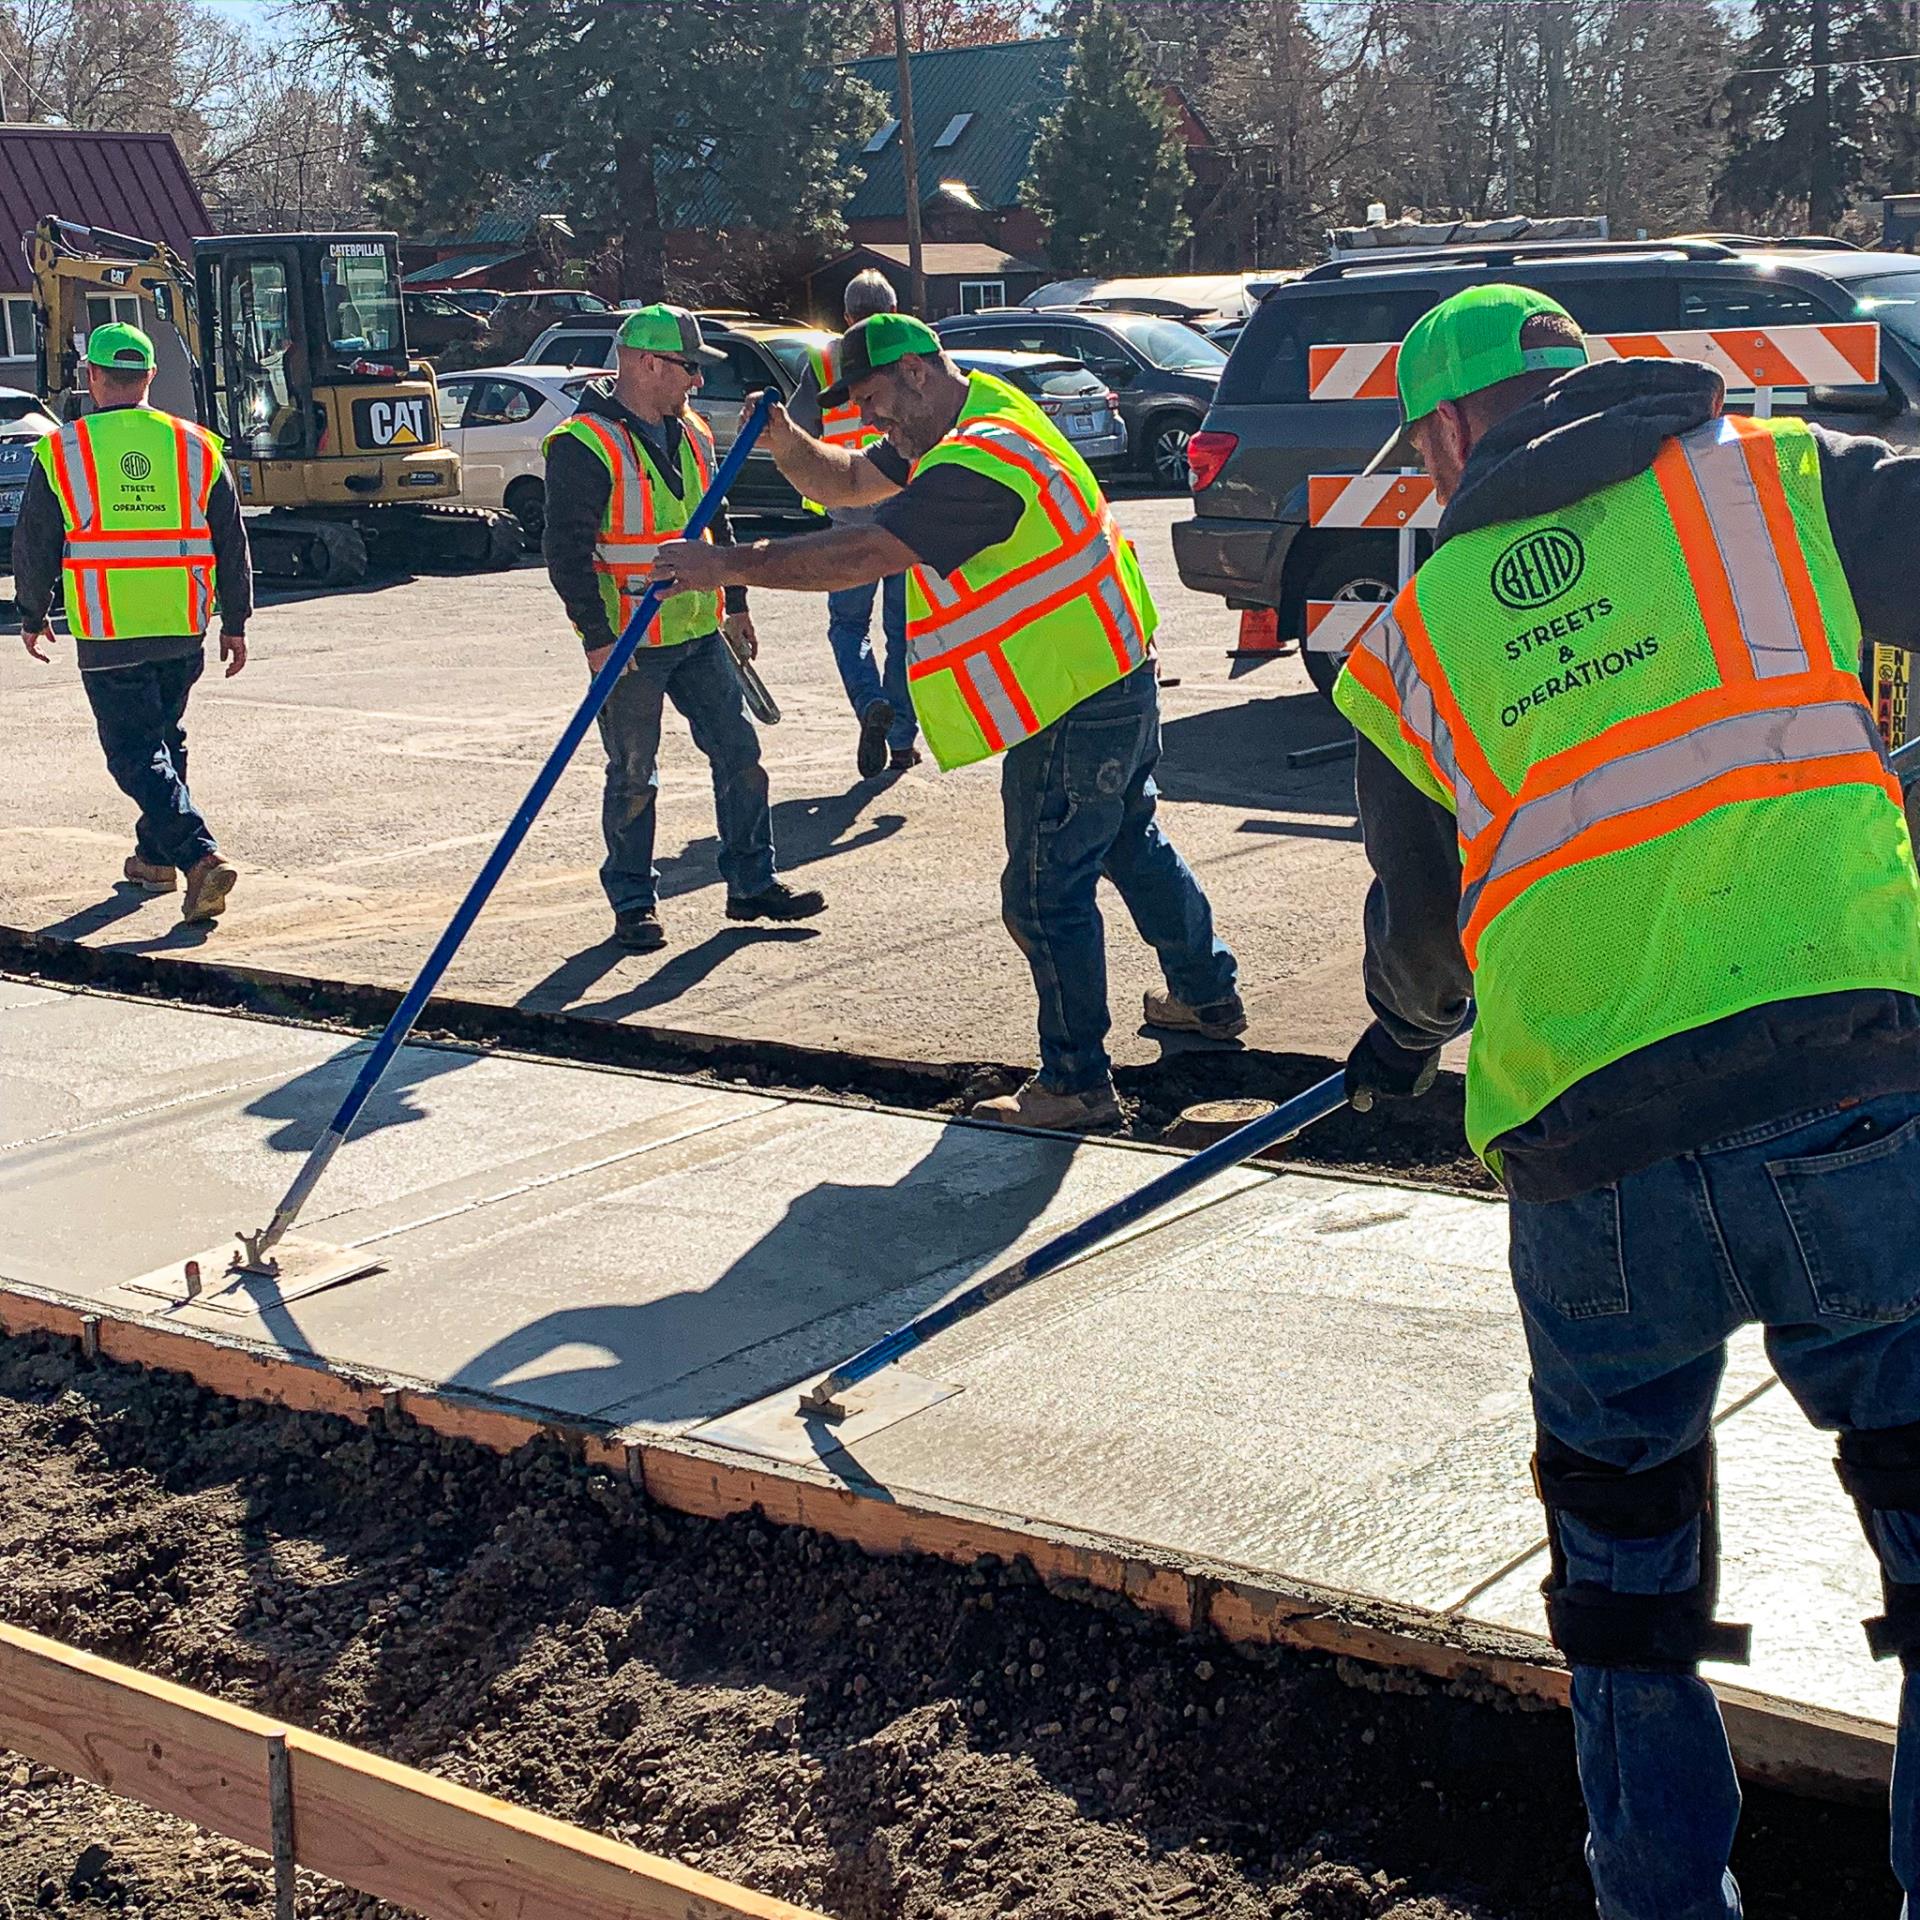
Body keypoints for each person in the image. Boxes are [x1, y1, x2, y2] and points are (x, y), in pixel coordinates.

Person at [1333, 283, 1920, 1916]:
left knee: (1624, 1573)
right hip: (1847, 1094)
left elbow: (1424, 952)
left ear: (1448, 430)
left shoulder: (1416, 637)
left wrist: (1399, 1037)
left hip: (1588, 1152)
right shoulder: (1778, 483)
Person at [654, 313, 1242, 1131]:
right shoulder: (975, 411)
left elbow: (864, 552)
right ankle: (1205, 993)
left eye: (874, 398)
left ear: (918, 374)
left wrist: (724, 565)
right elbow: (856, 480)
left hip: (1072, 696)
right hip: (1107, 673)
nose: (872, 418)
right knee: (1124, 840)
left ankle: (1077, 1083)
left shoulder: (982, 458)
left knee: (1041, 895)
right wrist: (789, 445)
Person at [542, 303, 825, 953]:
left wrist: (736, 601)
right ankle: (634, 905)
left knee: (740, 756)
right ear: (645, 364)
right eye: (688, 368)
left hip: (696, 627)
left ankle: (752, 884)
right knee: (635, 773)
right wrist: (596, 637)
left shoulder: (693, 432)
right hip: (629, 641)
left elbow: (713, 523)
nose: (697, 382)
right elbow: (565, 552)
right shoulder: (582, 444)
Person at [16, 321, 250, 925]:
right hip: (182, 622)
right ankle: (155, 860)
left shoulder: (63, 450)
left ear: (92, 377)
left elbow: (36, 540)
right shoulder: (198, 445)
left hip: (109, 627)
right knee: (164, 740)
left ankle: (199, 855)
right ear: (150, 377)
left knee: (133, 752)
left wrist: (31, 611)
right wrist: (237, 619)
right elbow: (231, 537)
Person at [787, 268, 920, 778]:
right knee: (902, 632)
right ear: (894, 308)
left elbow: (799, 433)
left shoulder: (823, 361)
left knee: (847, 625)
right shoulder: (908, 357)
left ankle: (869, 705)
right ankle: (903, 740)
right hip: (901, 506)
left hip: (847, 508)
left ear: (845, 317)